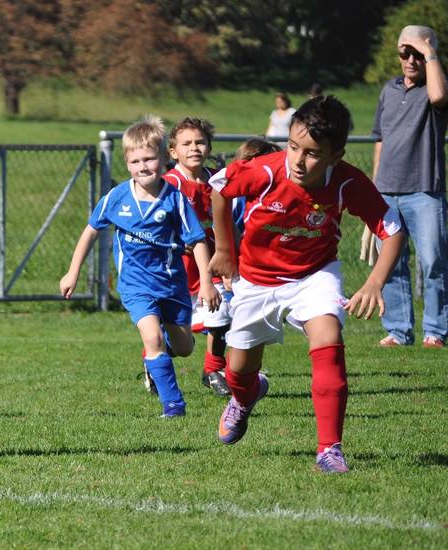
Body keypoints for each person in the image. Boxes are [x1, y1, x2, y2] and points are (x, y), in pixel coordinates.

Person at [208, 96, 405, 473]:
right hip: (256, 279)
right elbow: (219, 187)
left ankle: (329, 449)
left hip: (314, 275)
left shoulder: (348, 181)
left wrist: (375, 281)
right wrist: (224, 249)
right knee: (238, 371)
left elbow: (392, 229)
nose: (298, 160)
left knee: (329, 340)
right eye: (293, 147)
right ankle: (244, 397)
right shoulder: (265, 171)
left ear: (336, 155)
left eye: (312, 153)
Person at [60, 116, 219, 418]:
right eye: (136, 161)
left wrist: (208, 282)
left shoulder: (175, 198)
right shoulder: (117, 197)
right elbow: (91, 231)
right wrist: (73, 271)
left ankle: (157, 360)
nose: (143, 166)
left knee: (184, 347)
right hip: (136, 285)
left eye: (149, 159)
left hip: (172, 284)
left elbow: (198, 241)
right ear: (127, 163)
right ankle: (173, 405)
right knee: (152, 338)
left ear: (163, 159)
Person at [372, 24, 448, 350]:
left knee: (432, 262)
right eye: (405, 52)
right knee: (391, 265)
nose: (411, 59)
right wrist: (372, 189)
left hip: (424, 191)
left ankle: (436, 332)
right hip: (385, 191)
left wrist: (429, 50)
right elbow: (379, 139)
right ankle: (398, 331)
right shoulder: (388, 90)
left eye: (417, 53)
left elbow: (439, 96)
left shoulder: (437, 84)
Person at [163, 117, 232, 397]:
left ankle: (213, 370)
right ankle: (156, 355)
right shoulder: (168, 183)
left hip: (213, 262)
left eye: (200, 142)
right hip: (179, 268)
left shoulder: (218, 179)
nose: (194, 148)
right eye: (186, 143)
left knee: (223, 315)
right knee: (180, 340)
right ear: (172, 151)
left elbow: (228, 221)